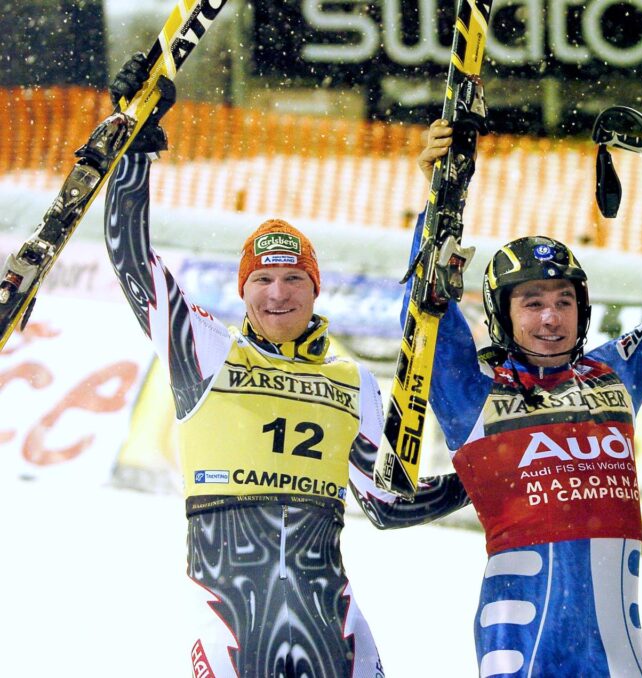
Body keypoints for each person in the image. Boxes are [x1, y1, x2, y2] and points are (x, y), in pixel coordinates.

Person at [102, 54, 468, 677]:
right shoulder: (208, 351)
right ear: (242, 290)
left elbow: (384, 505)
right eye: (263, 280)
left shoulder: (353, 382)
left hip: (335, 628)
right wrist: (134, 149)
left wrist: (483, 474)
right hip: (231, 626)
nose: (278, 294)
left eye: (294, 278)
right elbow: (133, 260)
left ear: (315, 288)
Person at [404, 119, 642, 677]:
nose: (551, 317)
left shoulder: (612, 374)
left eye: (564, 301)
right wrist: (437, 196)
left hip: (620, 655)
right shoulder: (474, 395)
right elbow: (424, 319)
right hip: (523, 649)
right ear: (502, 314)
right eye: (532, 303)